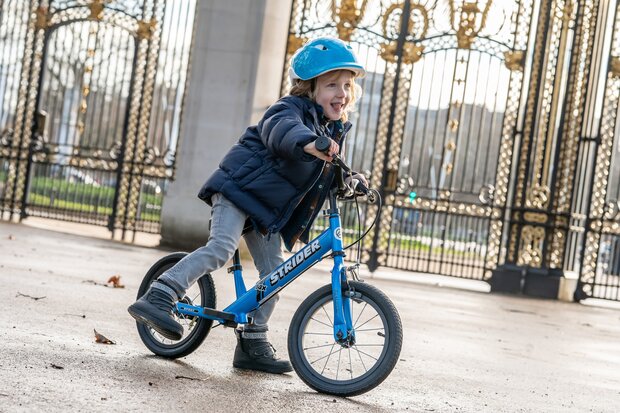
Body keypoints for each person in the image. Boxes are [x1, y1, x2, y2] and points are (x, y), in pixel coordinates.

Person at [128, 37, 368, 374]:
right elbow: (282, 132)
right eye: (331, 84)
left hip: (266, 212)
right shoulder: (289, 110)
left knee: (274, 276)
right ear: (309, 87)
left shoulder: (331, 130)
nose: (341, 92)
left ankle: (252, 342)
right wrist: (310, 142)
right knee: (221, 248)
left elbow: (327, 169)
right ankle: (161, 293)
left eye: (346, 85)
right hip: (237, 191)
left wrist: (350, 179)